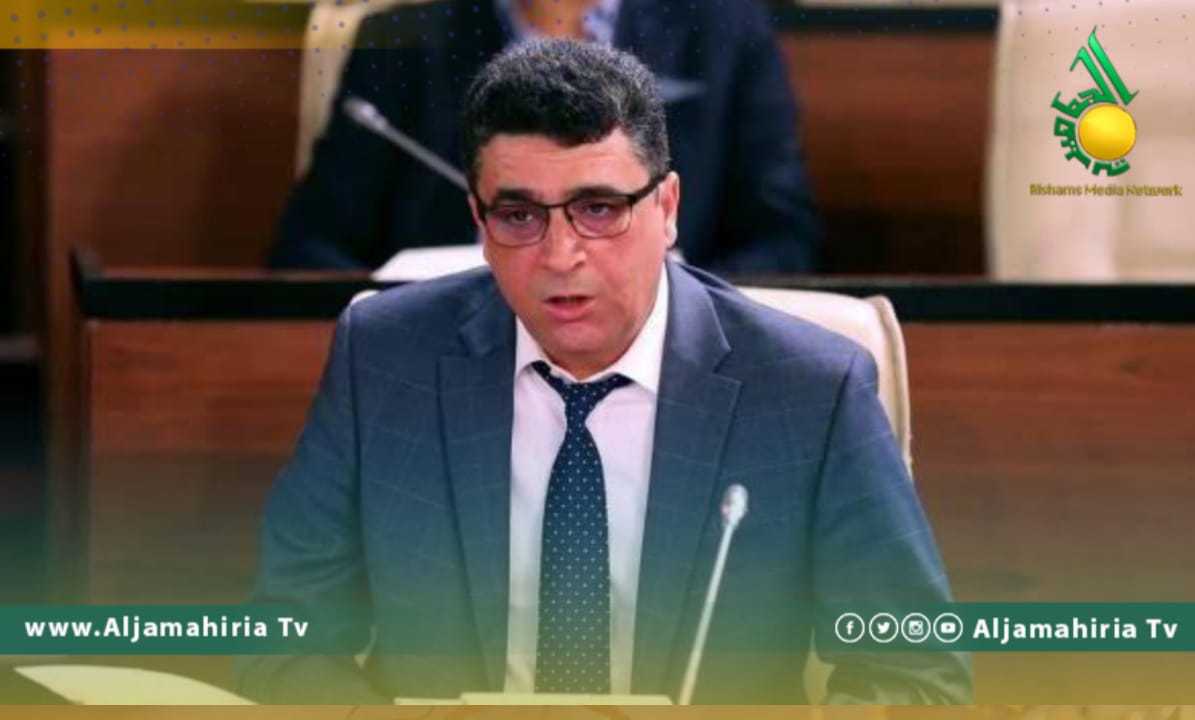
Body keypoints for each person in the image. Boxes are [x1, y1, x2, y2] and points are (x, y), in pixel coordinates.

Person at [237, 40, 969, 704]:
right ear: (479, 221)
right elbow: (285, 637)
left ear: (667, 207)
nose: (560, 256)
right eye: (519, 216)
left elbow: (914, 674)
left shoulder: (808, 390)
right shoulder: (384, 359)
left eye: (598, 209)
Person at [268, 0, 820, 274]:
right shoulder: (405, 41)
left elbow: (782, 238)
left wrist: (689, 319)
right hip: (445, 364)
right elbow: (313, 246)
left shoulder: (724, 30)